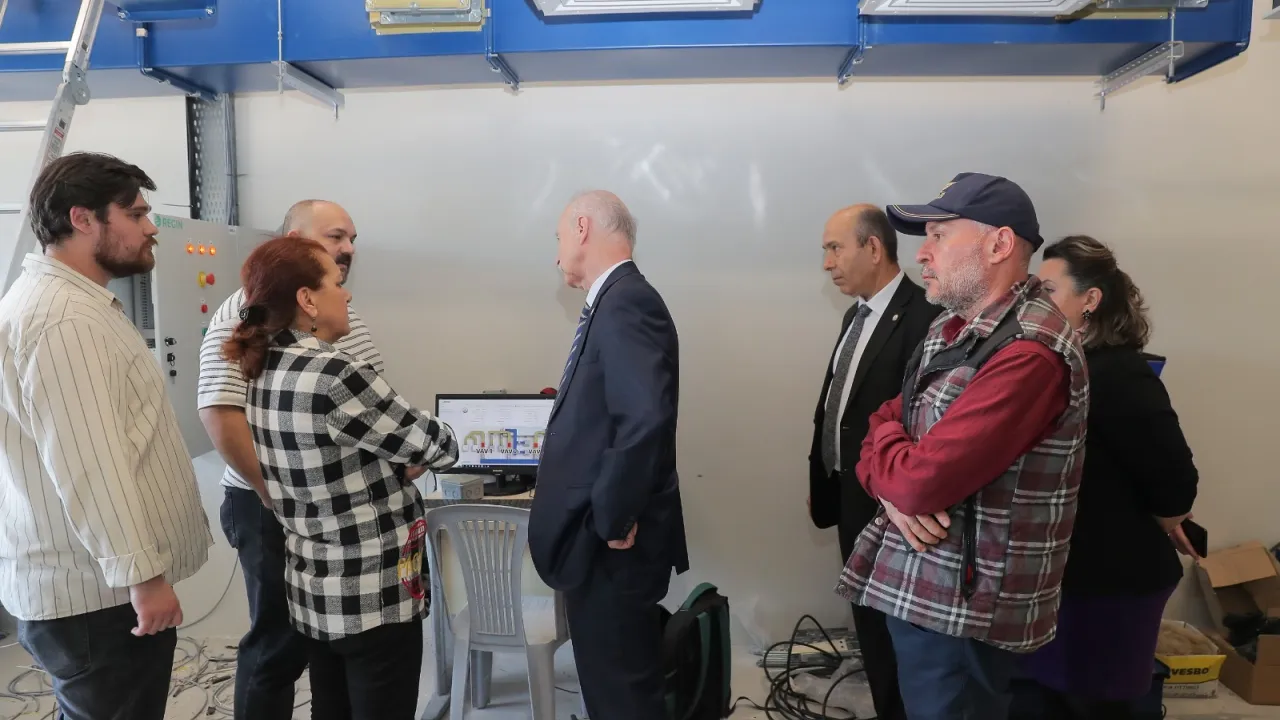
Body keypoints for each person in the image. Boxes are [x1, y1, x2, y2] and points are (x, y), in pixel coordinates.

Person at [835, 172, 1090, 720]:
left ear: (999, 244)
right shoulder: (952, 329)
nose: (921, 254)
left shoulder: (1029, 352)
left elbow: (919, 481)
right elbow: (882, 420)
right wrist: (894, 490)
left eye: (939, 236)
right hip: (931, 596)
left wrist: (898, 483)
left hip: (963, 612)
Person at [0, 152, 213, 719]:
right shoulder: (64, 319)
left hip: (94, 591)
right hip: (97, 601)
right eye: (136, 215)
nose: (151, 229)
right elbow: (89, 465)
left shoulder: (72, 306)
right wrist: (143, 579)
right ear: (83, 218)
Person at [221, 235, 458, 720]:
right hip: (372, 593)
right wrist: (409, 451)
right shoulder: (335, 373)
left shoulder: (262, 367)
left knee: (331, 707)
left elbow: (330, 454)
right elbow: (439, 445)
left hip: (313, 587)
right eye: (334, 282)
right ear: (307, 299)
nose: (346, 293)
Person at [197, 199, 395, 720]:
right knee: (278, 645)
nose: (348, 249)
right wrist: (277, 493)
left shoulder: (335, 311)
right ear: (292, 241)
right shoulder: (247, 312)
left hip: (327, 507)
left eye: (352, 239)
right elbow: (219, 412)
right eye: (335, 237)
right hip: (273, 508)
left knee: (328, 639)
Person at [1020, 235, 1199, 719]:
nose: (1036, 302)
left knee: (1096, 705)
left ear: (1090, 300)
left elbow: (1175, 482)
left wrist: (1169, 517)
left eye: (1049, 290)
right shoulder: (1060, 365)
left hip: (1109, 584)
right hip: (1066, 578)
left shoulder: (1118, 374)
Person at [529, 190, 690, 720]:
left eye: (558, 238)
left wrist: (614, 518)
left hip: (612, 545)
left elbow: (643, 420)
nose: (556, 255)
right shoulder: (613, 301)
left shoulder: (627, 302)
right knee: (609, 690)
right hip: (602, 543)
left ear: (581, 228)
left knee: (622, 697)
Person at [808, 204, 939, 720]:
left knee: (895, 636)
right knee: (869, 628)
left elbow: (921, 422)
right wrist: (825, 474)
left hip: (892, 508)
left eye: (834, 248)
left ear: (874, 248)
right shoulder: (856, 315)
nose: (827, 263)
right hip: (849, 493)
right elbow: (840, 407)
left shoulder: (925, 317)